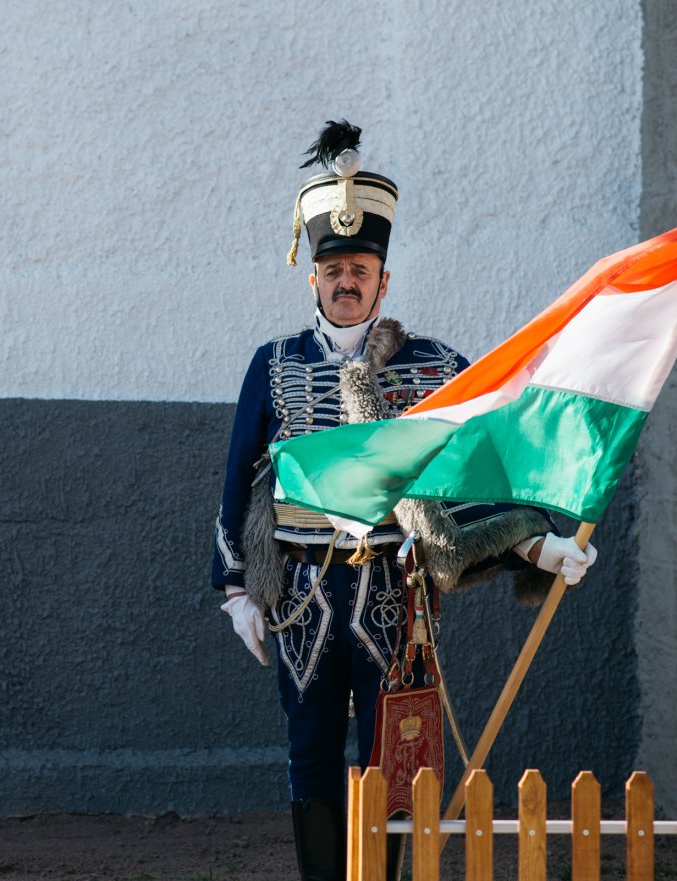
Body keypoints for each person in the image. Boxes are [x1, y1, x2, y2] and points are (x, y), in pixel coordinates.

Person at [211, 121, 597, 881]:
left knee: (394, 759)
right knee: (310, 751)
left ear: (383, 282)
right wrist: (235, 593)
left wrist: (540, 543)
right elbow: (235, 478)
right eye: (333, 269)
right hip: (302, 592)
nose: (345, 281)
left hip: (395, 589)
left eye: (360, 269)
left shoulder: (435, 367)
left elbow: (482, 469)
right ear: (312, 280)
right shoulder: (272, 364)